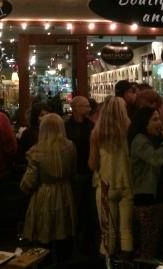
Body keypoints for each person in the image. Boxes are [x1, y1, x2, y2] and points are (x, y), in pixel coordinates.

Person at [20, 113, 76, 263]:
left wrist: (23, 188)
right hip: (65, 192)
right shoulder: (70, 147)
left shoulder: (36, 151)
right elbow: (73, 170)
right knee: (64, 234)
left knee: (44, 237)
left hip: (44, 194)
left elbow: (29, 182)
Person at [88, 96, 134, 258]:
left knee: (108, 232)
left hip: (106, 185)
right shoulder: (130, 132)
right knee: (126, 230)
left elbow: (92, 164)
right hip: (127, 183)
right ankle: (127, 262)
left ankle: (109, 262)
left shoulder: (97, 134)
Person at [130, 106, 163, 259]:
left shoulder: (152, 139)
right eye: (154, 119)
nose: (159, 123)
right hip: (145, 198)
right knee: (148, 244)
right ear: (144, 123)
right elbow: (155, 160)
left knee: (157, 243)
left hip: (156, 196)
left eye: (159, 119)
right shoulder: (139, 140)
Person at [65, 96, 97, 256]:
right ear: (76, 108)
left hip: (88, 170)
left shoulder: (91, 125)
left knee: (89, 209)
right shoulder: (66, 126)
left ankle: (87, 244)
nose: (89, 109)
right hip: (74, 172)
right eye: (86, 106)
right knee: (76, 207)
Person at [16, 102, 51, 169]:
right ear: (35, 117)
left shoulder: (52, 131)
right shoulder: (29, 133)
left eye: (47, 115)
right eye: (42, 115)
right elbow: (22, 157)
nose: (46, 118)